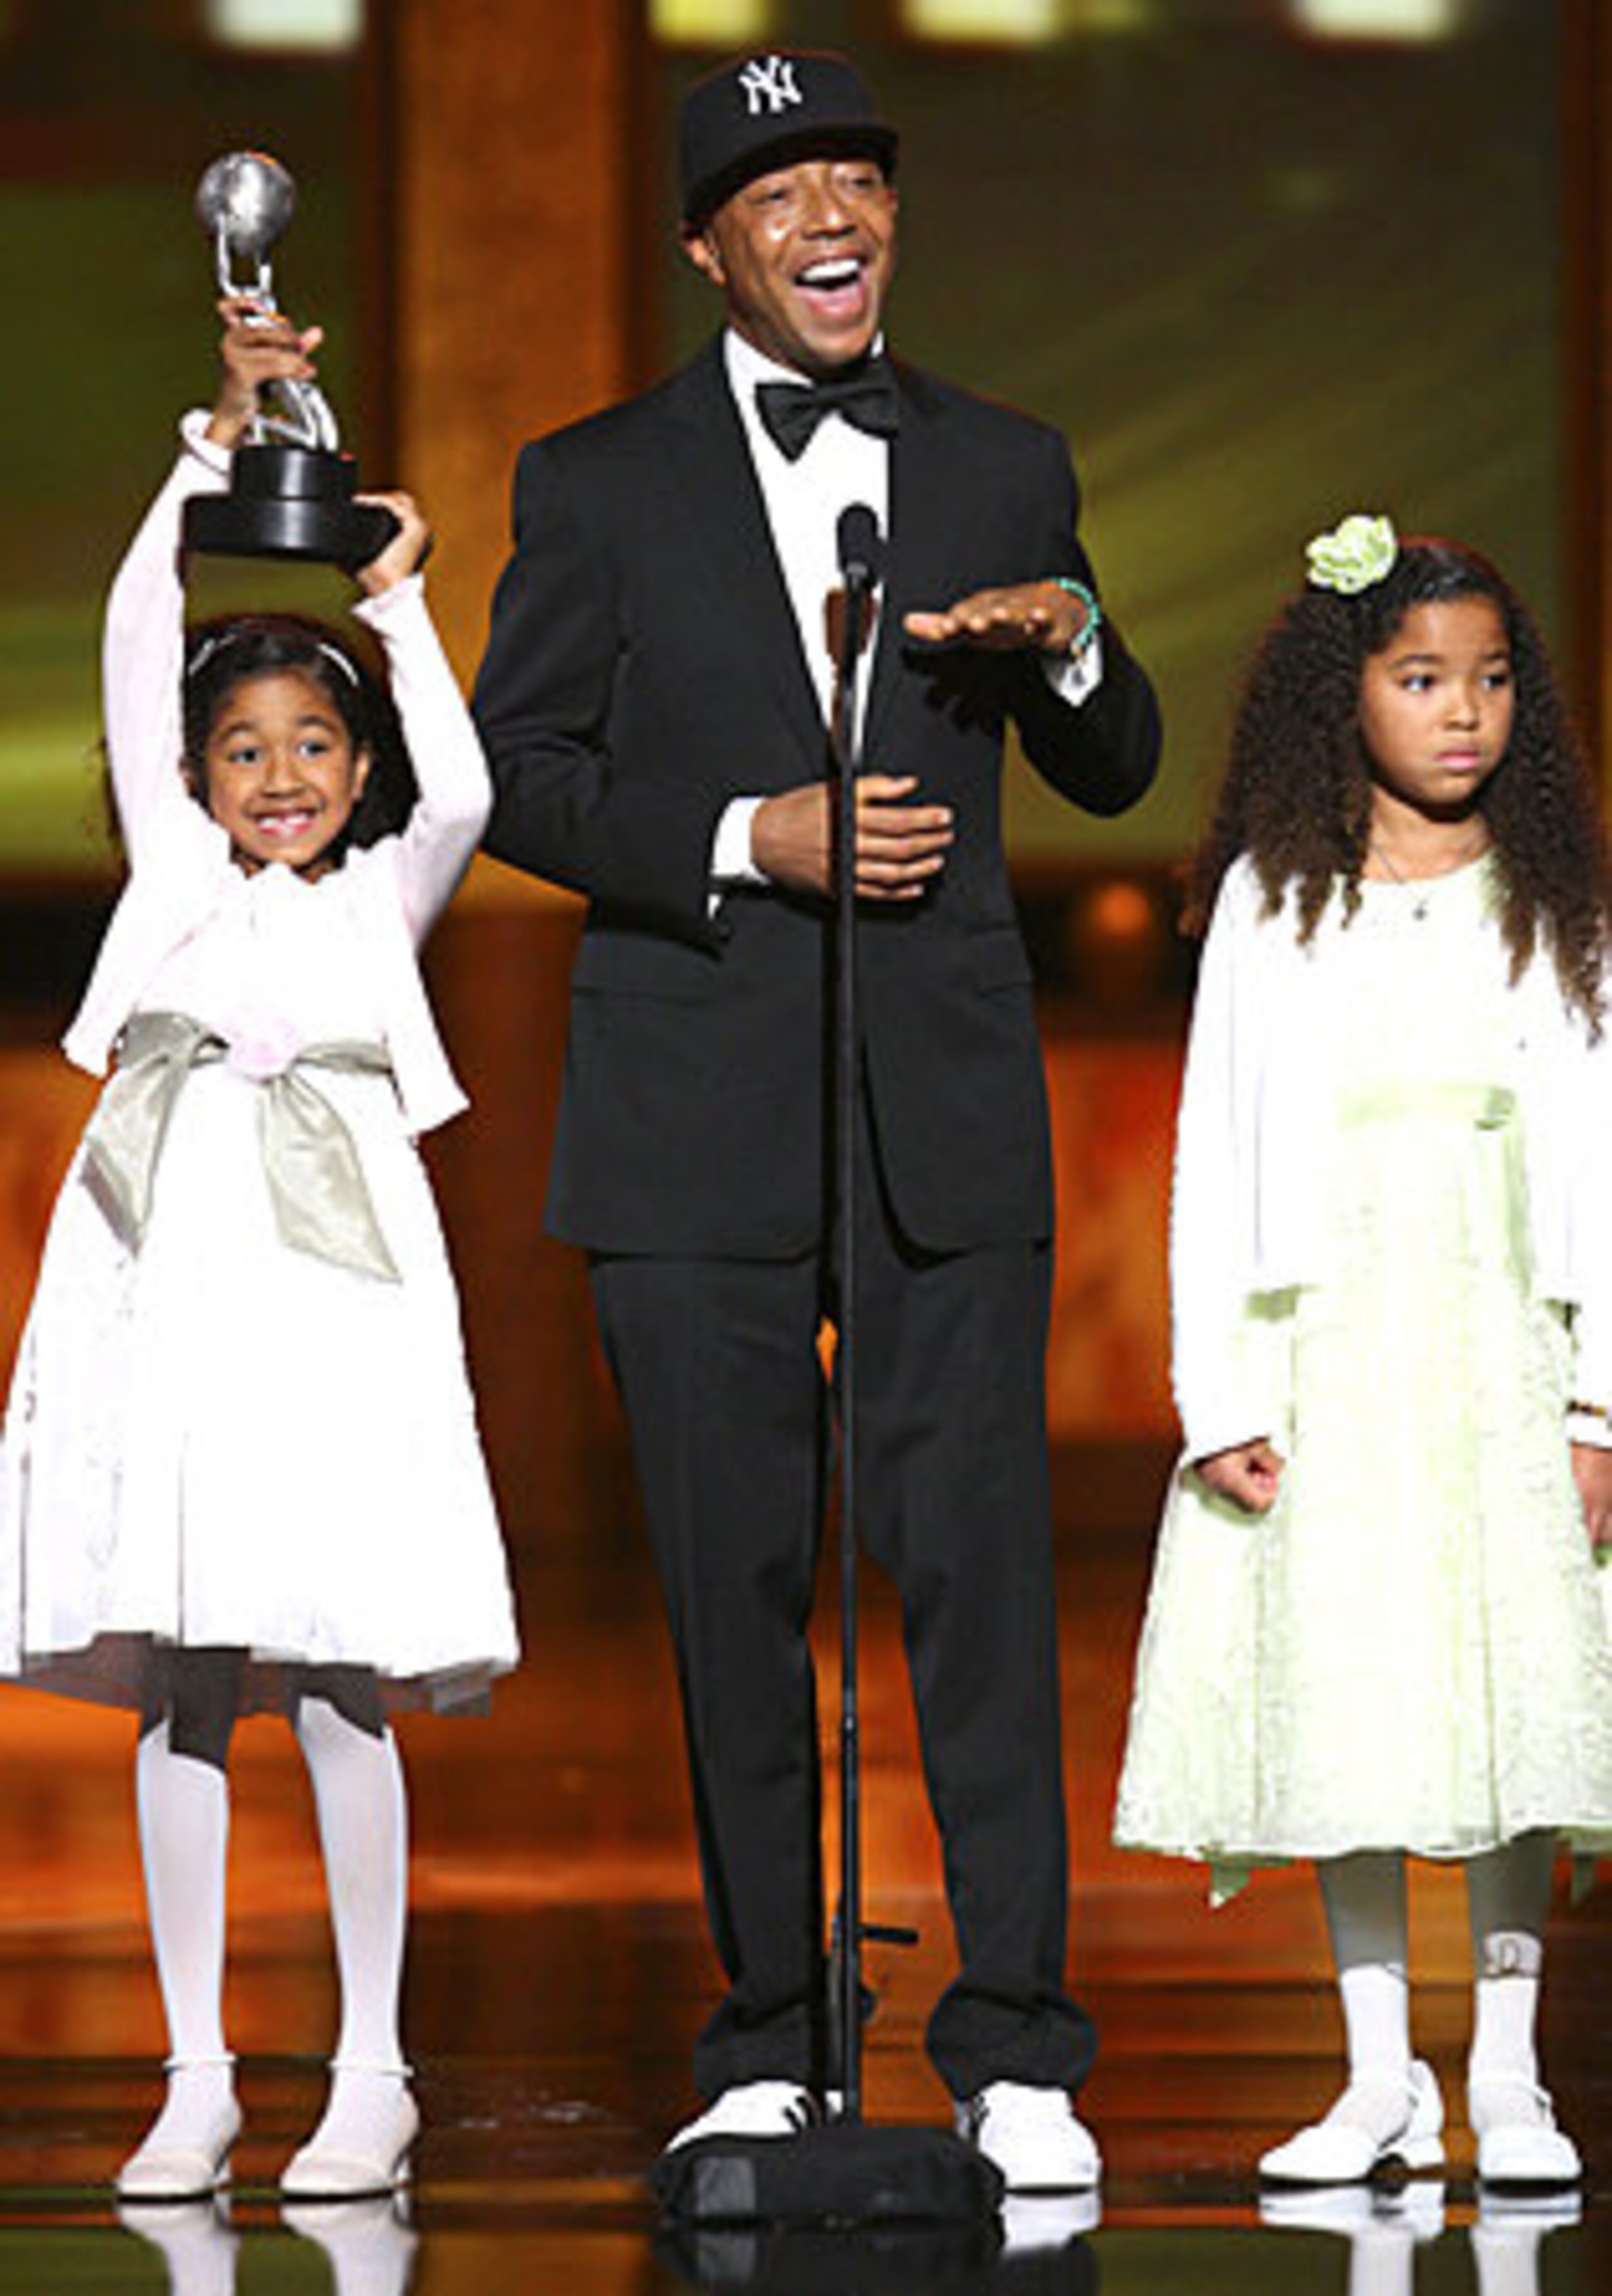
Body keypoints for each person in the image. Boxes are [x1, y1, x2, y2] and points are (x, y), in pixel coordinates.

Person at [474, 48, 1160, 2189]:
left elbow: (1122, 756)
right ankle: (773, 2025)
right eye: (782, 190)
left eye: (859, 176)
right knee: (730, 1583)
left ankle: (1021, 2048)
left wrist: (1067, 644)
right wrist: (739, 833)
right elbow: (517, 769)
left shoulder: (1001, 459)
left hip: (939, 1114)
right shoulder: (592, 481)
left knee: (978, 1585)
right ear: (710, 244)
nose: (832, 214)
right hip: (693, 1120)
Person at [0, 301, 518, 2201]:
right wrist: (211, 454)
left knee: (337, 1666)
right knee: (188, 1671)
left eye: (315, 743)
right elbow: (142, 642)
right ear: (194, 773)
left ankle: (372, 2063)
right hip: (172, 1276)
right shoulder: (173, 883)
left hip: (342, 1292)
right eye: (244, 745)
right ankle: (197, 2066)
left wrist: (393, 599)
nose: (279, 771)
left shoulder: (386, 889)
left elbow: (460, 787)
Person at [1114, 512, 1612, 2189]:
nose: (1462, 712)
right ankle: (1378, 2070)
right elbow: (1220, 1148)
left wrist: (1604, 1385)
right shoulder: (1278, 897)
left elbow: (1605, 1151)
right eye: (1421, 678)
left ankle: (1513, 2073)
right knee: (1351, 1688)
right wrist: (1222, 1391)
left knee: (1505, 1697)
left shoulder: (1553, 898)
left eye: (1488, 681)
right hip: (1326, 1335)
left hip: (1500, 1336)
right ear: (1350, 698)